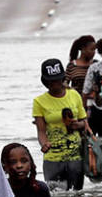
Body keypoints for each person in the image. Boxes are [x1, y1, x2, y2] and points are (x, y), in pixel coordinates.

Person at [33, 58, 90, 190]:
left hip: (75, 156)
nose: (54, 84)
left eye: (57, 79)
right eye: (50, 81)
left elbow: (85, 123)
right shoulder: (39, 102)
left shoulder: (74, 95)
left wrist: (78, 125)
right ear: (45, 82)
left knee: (76, 195)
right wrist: (44, 144)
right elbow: (41, 131)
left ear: (63, 78)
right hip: (52, 158)